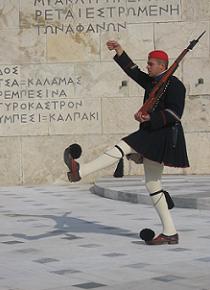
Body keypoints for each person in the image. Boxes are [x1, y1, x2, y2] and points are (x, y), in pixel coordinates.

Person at [64, 40, 189, 245]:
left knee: (123, 145)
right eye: (148, 63)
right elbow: (133, 72)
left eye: (151, 63)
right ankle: (170, 232)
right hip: (152, 134)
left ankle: (81, 170)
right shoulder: (152, 82)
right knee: (153, 184)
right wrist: (120, 51)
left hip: (163, 135)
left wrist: (151, 118)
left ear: (162, 66)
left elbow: (175, 113)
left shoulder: (175, 85)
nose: (147, 66)